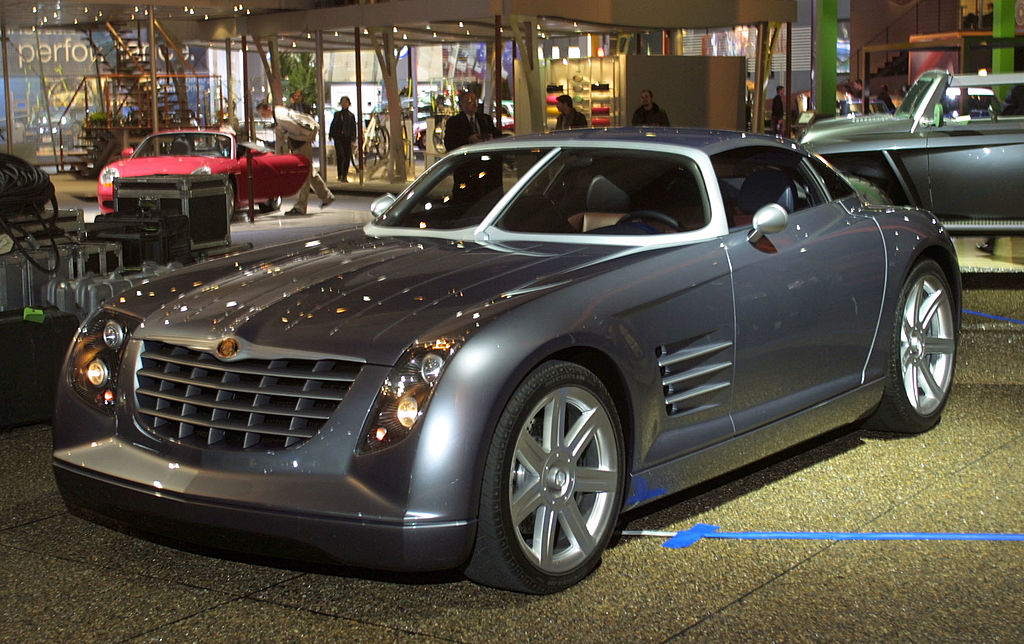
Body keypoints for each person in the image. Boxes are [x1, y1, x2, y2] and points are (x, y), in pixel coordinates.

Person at [257, 100, 334, 215]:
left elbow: (295, 130)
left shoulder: (280, 117)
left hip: (300, 145)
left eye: (263, 114)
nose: (263, 116)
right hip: (300, 145)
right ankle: (326, 196)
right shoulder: (279, 112)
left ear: (268, 109)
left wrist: (284, 134)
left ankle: (301, 207)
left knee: (304, 174)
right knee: (309, 172)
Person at [329, 96, 357, 182]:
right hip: (338, 138)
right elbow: (333, 125)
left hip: (347, 138)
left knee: (347, 156)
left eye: (346, 102)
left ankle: (344, 175)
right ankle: (340, 174)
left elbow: (353, 128)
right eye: (343, 102)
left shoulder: (351, 116)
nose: (344, 104)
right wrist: (331, 134)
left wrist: (353, 139)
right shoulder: (337, 114)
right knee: (340, 155)